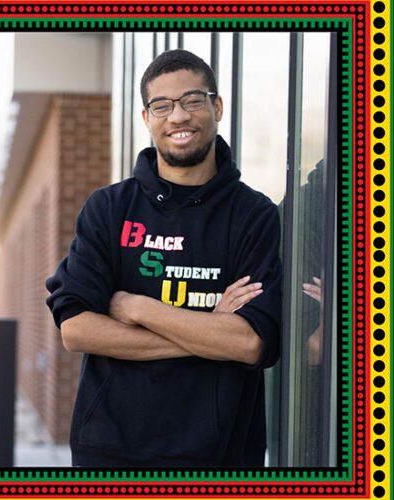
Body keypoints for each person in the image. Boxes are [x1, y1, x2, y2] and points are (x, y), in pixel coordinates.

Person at [46, 49, 282, 467]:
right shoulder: (109, 208)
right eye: (162, 105)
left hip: (220, 454)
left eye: (193, 100)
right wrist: (210, 332)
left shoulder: (254, 214)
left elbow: (249, 342)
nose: (178, 117)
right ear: (146, 118)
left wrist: (139, 308)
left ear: (217, 106)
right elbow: (78, 330)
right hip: (110, 451)